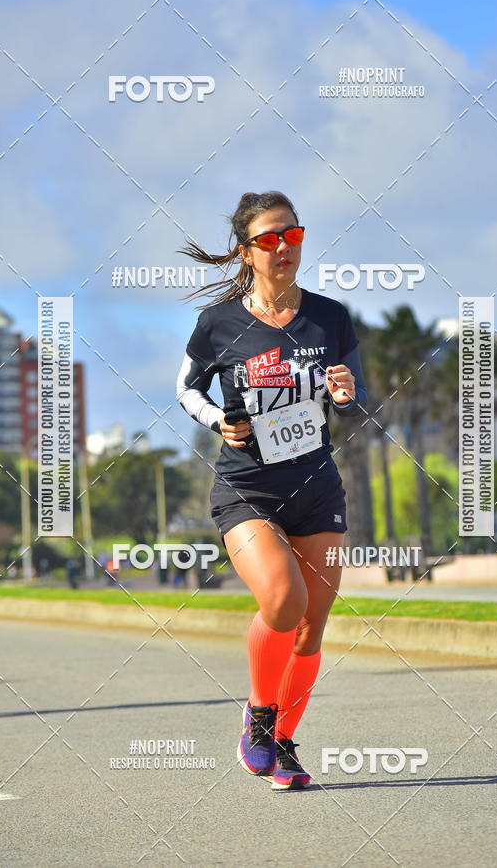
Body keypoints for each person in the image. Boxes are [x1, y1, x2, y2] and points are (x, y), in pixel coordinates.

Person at [176, 191, 367, 791]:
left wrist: (343, 392)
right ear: (246, 252)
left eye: (292, 235)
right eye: (268, 239)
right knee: (283, 603)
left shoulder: (330, 317)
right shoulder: (218, 324)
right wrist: (216, 421)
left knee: (313, 622)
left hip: (316, 486)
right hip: (247, 488)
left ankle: (283, 742)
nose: (283, 247)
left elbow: (355, 400)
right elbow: (186, 389)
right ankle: (259, 717)